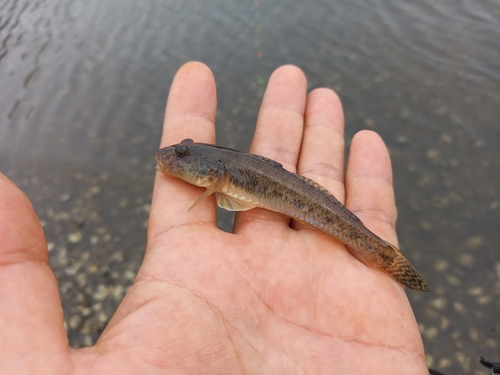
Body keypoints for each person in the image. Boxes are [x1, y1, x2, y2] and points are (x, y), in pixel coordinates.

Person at [0, 62, 429, 374]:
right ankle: (384, 257)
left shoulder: (220, 176)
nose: (173, 157)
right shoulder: (214, 175)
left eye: (183, 155)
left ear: (214, 176)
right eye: (181, 153)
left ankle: (384, 258)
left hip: (301, 202)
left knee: (344, 226)